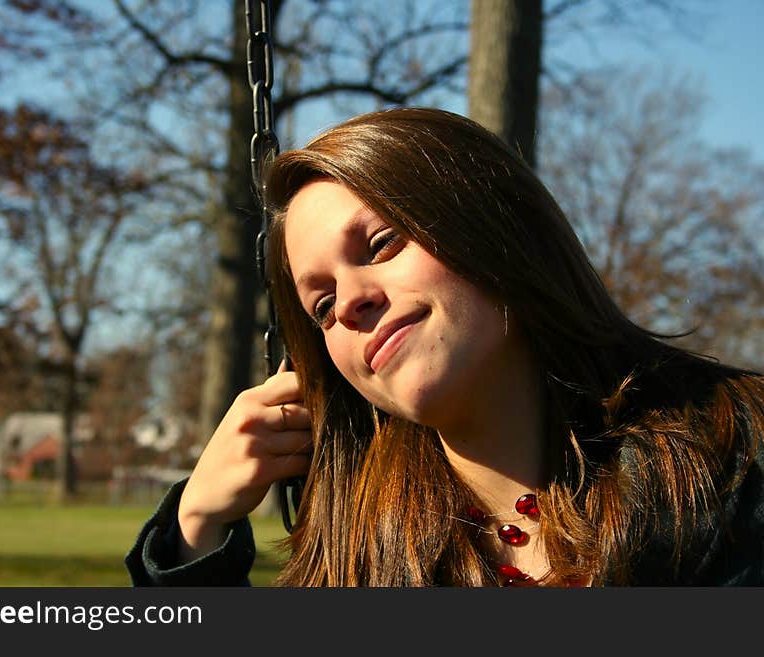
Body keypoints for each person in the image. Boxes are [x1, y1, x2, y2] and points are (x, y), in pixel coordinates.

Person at [126, 107, 764, 586]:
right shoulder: (356, 555)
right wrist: (193, 533)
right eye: (320, 305)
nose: (348, 304)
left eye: (381, 245)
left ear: (490, 224)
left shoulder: (741, 459)